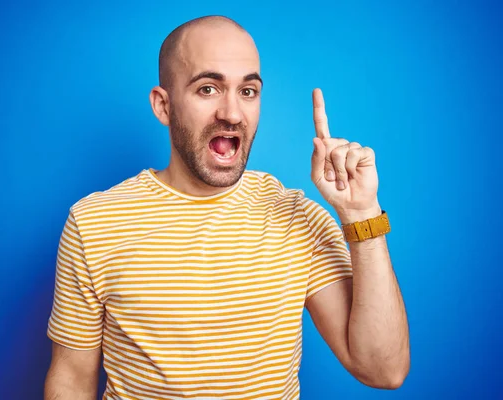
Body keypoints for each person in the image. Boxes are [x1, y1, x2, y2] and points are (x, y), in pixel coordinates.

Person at [44, 15, 410, 400]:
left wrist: (361, 213)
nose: (232, 113)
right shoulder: (94, 223)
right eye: (208, 88)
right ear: (163, 106)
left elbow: (383, 370)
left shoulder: (297, 218)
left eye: (248, 91)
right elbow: (71, 376)